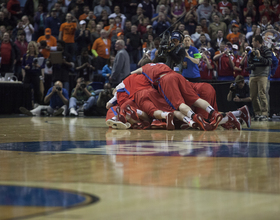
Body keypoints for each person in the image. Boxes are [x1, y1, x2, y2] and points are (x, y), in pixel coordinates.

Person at [131, 62, 223, 131]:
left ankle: (195, 118)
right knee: (195, 99)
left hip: (166, 79)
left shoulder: (144, 68)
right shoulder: (161, 64)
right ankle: (214, 113)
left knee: (179, 104)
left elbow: (132, 74)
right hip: (178, 75)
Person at [249, 35, 272, 121]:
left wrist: (259, 57)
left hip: (262, 75)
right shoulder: (253, 50)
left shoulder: (266, 50)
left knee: (262, 94)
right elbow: (250, 62)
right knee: (253, 96)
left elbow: (269, 62)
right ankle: (257, 113)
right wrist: (250, 57)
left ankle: (264, 113)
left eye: (253, 41)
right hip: (253, 75)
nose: (252, 43)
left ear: (257, 42)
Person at [22, 41, 45, 106]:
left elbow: (42, 66)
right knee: (26, 88)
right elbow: (22, 65)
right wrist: (25, 67)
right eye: (30, 46)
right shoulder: (25, 56)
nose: (32, 48)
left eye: (33, 46)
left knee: (37, 89)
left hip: (35, 74)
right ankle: (27, 104)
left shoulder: (39, 56)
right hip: (28, 74)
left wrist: (38, 66)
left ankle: (37, 103)